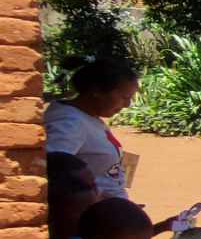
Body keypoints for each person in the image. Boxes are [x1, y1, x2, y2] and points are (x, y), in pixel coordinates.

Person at [45, 56, 141, 197]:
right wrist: (96, 200)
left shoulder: (88, 117)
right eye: (124, 97)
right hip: (96, 213)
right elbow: (55, 171)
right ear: (96, 91)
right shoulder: (69, 123)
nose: (127, 105)